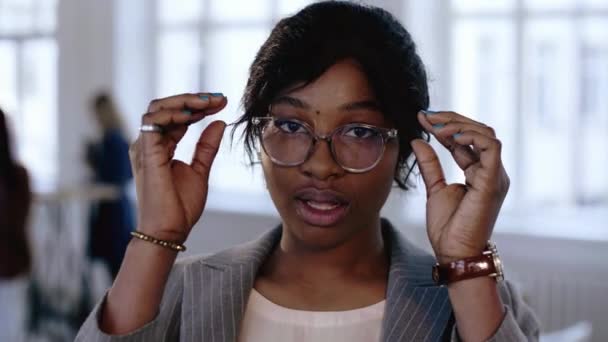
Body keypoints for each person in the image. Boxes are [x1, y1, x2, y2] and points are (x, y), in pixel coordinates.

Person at [77, 2, 539, 341]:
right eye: (292, 125)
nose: (321, 165)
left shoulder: (476, 300)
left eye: (359, 132)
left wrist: (464, 262)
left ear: (405, 149)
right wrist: (155, 235)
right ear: (259, 136)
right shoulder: (179, 290)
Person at [86, 93, 135, 278]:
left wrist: (94, 162)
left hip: (113, 211)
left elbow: (117, 176)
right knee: (120, 269)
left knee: (117, 270)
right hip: (119, 208)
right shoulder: (120, 137)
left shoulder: (111, 140)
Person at [0, 108, 32, 342]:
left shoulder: (16, 176)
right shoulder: (18, 176)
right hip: (12, 265)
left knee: (11, 331)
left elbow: (14, 222)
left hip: (9, 265)